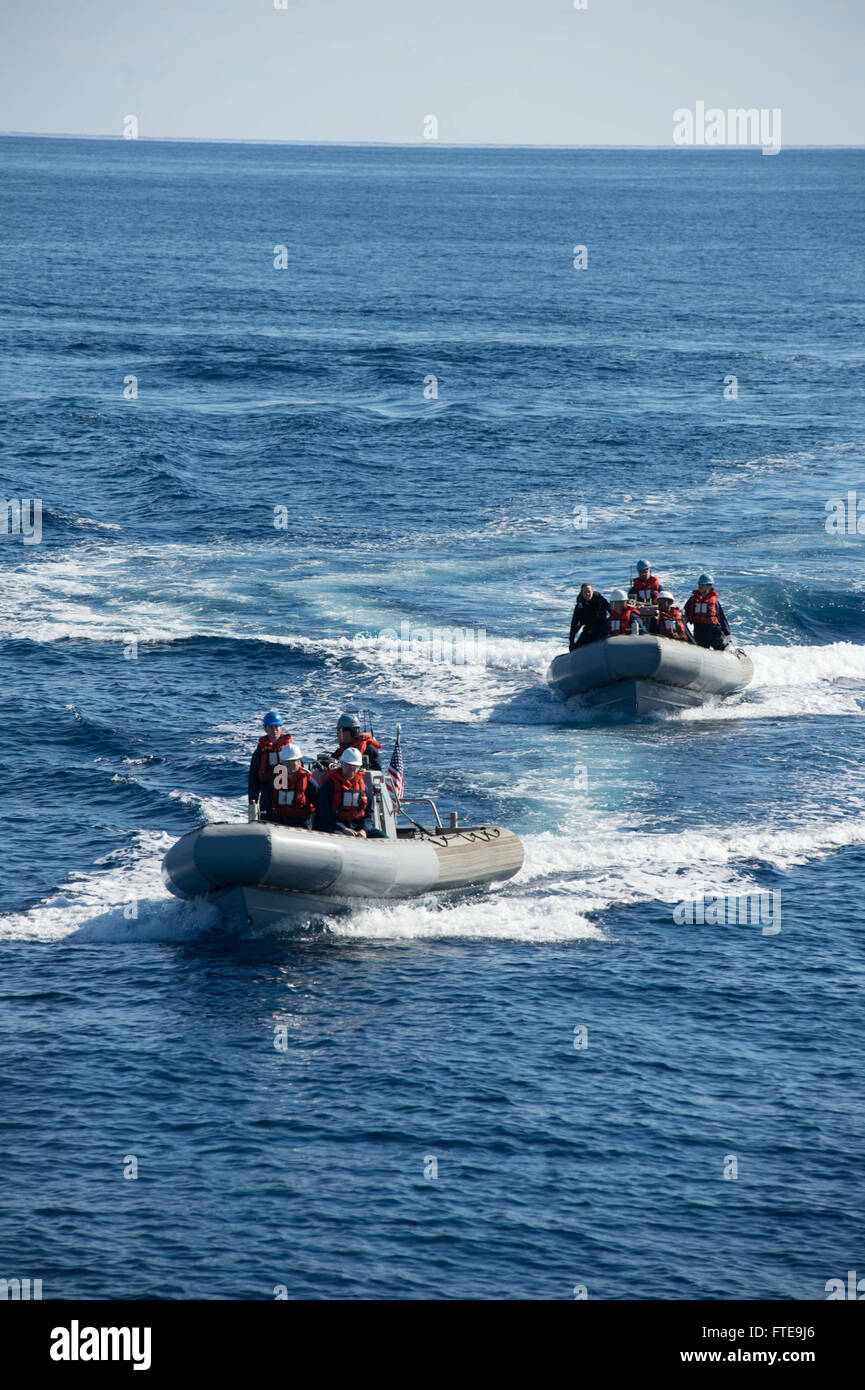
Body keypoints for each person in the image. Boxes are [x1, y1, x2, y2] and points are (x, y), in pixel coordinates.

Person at [314, 747, 373, 837]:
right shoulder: (330, 785)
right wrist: (343, 828)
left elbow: (369, 813)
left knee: (383, 838)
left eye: (355, 766)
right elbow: (324, 813)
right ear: (342, 764)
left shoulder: (364, 787)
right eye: (348, 765)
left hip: (358, 827)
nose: (351, 768)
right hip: (336, 827)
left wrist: (364, 829)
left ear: (359, 767)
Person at [248, 710, 292, 821]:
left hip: (288, 790)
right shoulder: (260, 752)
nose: (274, 730)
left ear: (281, 728)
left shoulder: (290, 749)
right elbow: (253, 779)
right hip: (267, 793)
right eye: (271, 727)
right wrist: (252, 802)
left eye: (277, 727)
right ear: (265, 729)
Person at [268, 744, 318, 828]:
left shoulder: (309, 783)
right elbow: (266, 805)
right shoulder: (274, 783)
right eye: (287, 761)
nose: (290, 764)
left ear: (299, 762)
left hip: (302, 824)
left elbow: (320, 807)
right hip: (279, 823)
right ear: (282, 763)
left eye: (293, 761)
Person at [683, 573, 732, 650]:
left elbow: (722, 618)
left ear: (709, 586)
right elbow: (685, 614)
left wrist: (727, 633)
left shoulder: (714, 601)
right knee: (699, 649)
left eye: (702, 585)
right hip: (699, 631)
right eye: (699, 584)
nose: (700, 587)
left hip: (713, 631)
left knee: (722, 649)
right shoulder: (693, 600)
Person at [569, 582, 610, 649]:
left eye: (589, 591)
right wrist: (571, 642)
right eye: (585, 592)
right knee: (576, 648)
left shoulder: (599, 598)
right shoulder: (579, 605)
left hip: (602, 626)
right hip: (589, 628)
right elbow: (574, 624)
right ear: (582, 593)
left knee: (598, 640)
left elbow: (610, 610)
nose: (587, 594)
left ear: (592, 591)